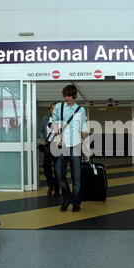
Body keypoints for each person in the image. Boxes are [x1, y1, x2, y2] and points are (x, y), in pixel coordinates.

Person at [51, 84, 89, 212]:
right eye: (65, 95)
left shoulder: (81, 110)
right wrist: (57, 135)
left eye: (69, 96)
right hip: (62, 146)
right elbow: (54, 121)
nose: (67, 98)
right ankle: (67, 198)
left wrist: (86, 143)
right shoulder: (59, 107)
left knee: (76, 177)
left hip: (76, 146)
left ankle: (76, 202)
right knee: (59, 175)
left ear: (74, 96)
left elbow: (83, 127)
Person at [39, 102, 59, 195]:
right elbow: (42, 131)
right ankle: (51, 185)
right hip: (48, 145)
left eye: (54, 108)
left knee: (57, 167)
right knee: (46, 167)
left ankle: (57, 186)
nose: (53, 110)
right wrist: (43, 139)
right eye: (51, 108)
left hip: (58, 145)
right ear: (49, 110)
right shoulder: (45, 118)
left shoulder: (61, 119)